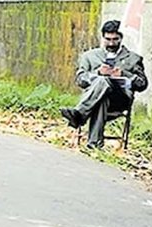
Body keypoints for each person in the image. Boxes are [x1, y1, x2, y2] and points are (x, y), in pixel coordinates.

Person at [61, 20, 147, 148]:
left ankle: (79, 114)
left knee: (103, 84)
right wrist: (97, 73)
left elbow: (143, 84)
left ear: (121, 38)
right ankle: (94, 145)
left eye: (115, 39)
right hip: (97, 98)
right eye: (108, 39)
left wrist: (124, 74)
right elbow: (80, 80)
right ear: (103, 37)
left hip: (120, 99)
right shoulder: (90, 56)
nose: (111, 43)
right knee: (102, 93)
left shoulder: (133, 58)